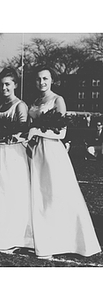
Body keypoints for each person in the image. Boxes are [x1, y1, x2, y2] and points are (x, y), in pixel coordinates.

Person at [27, 65, 101, 259]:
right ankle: (46, 239)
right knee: (40, 195)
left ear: (52, 80)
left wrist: (38, 132)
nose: (41, 82)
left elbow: (62, 132)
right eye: (38, 79)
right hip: (36, 151)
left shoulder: (58, 100)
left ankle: (67, 239)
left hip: (52, 151)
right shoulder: (35, 101)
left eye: (45, 78)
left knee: (55, 194)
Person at [0, 68, 34, 253]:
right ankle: (1, 237)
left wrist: (1, 139)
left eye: (8, 84)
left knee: (12, 194)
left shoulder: (20, 105)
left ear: (15, 85)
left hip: (13, 155)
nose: (4, 87)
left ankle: (16, 237)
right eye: (2, 84)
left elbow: (23, 131)